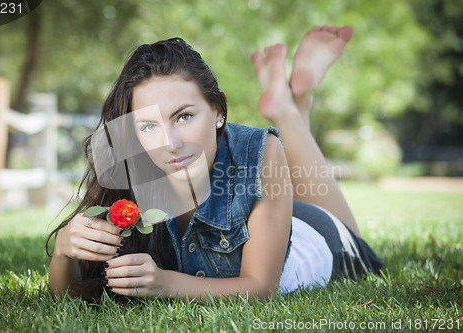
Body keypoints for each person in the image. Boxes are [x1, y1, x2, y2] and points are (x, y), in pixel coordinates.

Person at [47, 25, 383, 302]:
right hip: (272, 215)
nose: (171, 142)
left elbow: (260, 289)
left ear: (218, 110)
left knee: (350, 233)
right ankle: (293, 102)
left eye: (185, 116)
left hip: (315, 239)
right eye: (149, 126)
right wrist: (64, 250)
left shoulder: (260, 152)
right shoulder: (132, 170)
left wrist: (165, 285)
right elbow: (69, 295)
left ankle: (287, 110)